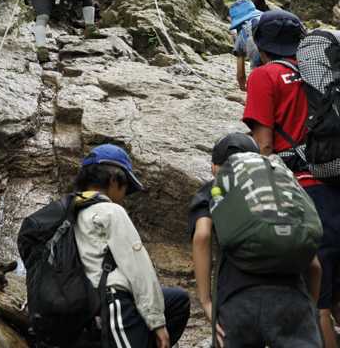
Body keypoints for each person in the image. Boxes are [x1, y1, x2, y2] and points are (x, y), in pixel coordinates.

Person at [243, 9, 340, 348]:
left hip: (302, 194)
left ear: (261, 45)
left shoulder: (264, 75)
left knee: (319, 306)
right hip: (334, 184)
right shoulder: (322, 72)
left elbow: (264, 146)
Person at [189, 132, 322, 348]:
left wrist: (206, 302)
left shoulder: (213, 189)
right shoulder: (280, 189)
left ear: (214, 167)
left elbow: (202, 237)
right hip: (291, 298)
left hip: (237, 299)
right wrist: (310, 311)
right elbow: (314, 265)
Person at [73, 143, 190, 348]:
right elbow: (138, 268)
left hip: (83, 304)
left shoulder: (70, 210)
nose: (123, 199)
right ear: (114, 178)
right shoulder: (110, 211)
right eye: (125, 188)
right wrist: (158, 324)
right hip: (111, 305)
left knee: (178, 301)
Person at [229, 0, 263, 91]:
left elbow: (240, 74)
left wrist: (242, 87)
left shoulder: (241, 36)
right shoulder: (268, 22)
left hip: (263, 75)